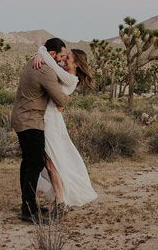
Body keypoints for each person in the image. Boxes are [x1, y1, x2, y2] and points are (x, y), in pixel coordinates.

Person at [11, 37, 71, 223]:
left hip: (23, 117)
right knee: (35, 163)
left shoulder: (35, 61)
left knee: (28, 163)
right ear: (52, 54)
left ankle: (28, 205)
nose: (62, 60)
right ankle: (29, 210)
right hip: (31, 120)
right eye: (60, 56)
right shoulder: (44, 69)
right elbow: (61, 100)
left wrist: (40, 52)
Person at [32, 46, 98, 210]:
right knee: (47, 158)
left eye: (68, 57)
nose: (64, 59)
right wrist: (37, 55)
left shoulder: (71, 79)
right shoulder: (63, 72)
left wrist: (41, 50)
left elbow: (52, 65)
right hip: (48, 118)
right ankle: (58, 196)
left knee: (50, 159)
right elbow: (50, 65)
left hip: (51, 121)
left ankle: (60, 198)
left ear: (76, 64)